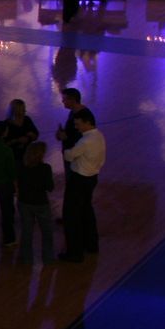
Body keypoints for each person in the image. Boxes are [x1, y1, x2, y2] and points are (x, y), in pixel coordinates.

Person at [60, 109, 104, 261]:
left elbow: (69, 155)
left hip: (79, 180)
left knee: (71, 216)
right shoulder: (99, 136)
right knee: (87, 211)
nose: (77, 127)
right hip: (92, 178)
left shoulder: (85, 141)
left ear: (87, 122)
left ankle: (75, 252)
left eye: (78, 124)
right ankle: (91, 244)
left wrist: (65, 144)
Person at [16, 141, 58, 265]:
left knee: (26, 231)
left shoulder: (21, 166)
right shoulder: (45, 168)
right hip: (40, 203)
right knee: (46, 231)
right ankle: (48, 258)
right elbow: (50, 187)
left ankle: (26, 258)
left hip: (24, 202)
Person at [0, 98, 39, 165]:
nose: (24, 110)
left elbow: (36, 134)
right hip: (12, 157)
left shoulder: (27, 120)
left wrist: (29, 137)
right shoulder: (6, 124)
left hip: (27, 155)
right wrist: (17, 140)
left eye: (24, 108)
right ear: (14, 110)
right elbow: (2, 144)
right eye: (22, 109)